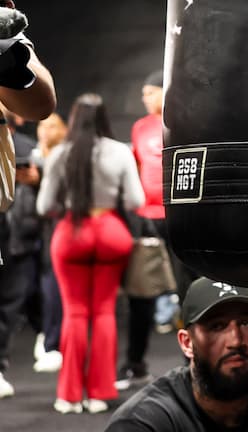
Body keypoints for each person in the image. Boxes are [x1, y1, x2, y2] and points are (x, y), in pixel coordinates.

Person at [36, 92, 145, 414]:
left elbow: (45, 205)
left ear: (73, 118)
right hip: (111, 232)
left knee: (74, 313)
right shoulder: (119, 152)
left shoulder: (60, 154)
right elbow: (136, 202)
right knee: (104, 313)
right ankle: (99, 393)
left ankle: (70, 396)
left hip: (72, 233)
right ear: (104, 118)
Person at [106, 276, 248, 431]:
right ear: (187, 342)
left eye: (246, 323)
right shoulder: (144, 422)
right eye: (217, 326)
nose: (235, 341)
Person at [118, 70, 171, 391]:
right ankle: (135, 365)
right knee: (142, 297)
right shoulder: (140, 128)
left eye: (150, 92)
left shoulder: (183, 120)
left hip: (181, 218)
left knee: (189, 290)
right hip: (148, 220)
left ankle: (196, 366)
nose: (145, 98)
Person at [0, 106, 39, 399]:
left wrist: (36, 180)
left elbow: (6, 196)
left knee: (10, 304)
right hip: (12, 236)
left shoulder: (26, 147)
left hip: (18, 238)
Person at [30, 112, 67, 374]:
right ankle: (45, 334)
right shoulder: (31, 156)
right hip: (27, 233)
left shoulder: (66, 158)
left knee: (54, 287)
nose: (46, 131)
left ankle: (53, 342)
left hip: (57, 230)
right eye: (43, 125)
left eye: (53, 125)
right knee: (34, 289)